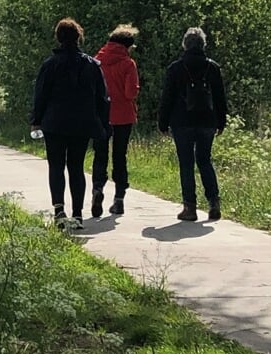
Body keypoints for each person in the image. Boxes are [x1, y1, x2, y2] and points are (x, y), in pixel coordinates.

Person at [30, 18, 111, 229]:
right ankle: (77, 215)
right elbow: (102, 98)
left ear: (58, 38)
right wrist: (103, 125)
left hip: (54, 123)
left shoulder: (50, 65)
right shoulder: (92, 65)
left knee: (56, 166)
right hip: (82, 124)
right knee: (76, 167)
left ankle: (59, 211)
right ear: (79, 37)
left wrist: (36, 121)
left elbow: (41, 95)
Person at [157, 27, 228, 221]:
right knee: (205, 160)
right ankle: (214, 202)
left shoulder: (176, 68)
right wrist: (221, 121)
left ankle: (190, 207)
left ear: (184, 45)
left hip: (182, 122)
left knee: (186, 163)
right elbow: (220, 98)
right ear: (203, 44)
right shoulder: (212, 67)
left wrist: (162, 123)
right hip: (207, 121)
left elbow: (167, 98)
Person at [91, 25, 140, 217]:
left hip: (100, 116)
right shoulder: (128, 64)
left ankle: (97, 190)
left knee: (100, 155)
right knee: (120, 156)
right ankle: (119, 199)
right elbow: (130, 92)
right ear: (127, 46)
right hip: (123, 116)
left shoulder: (96, 62)